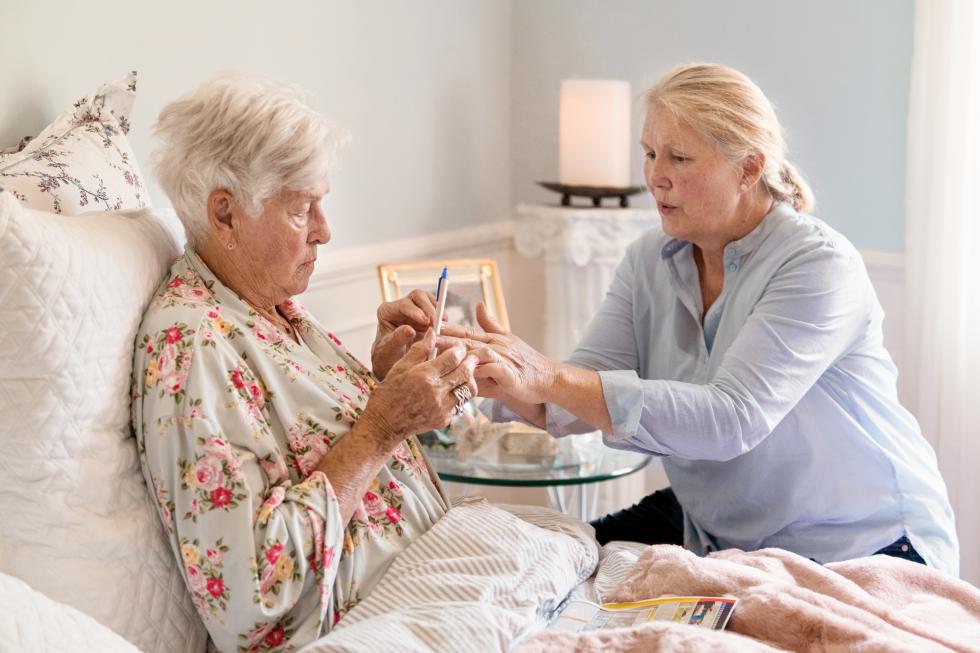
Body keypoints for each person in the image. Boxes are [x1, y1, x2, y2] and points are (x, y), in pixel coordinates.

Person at [451, 63, 959, 575]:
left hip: (861, 543)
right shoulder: (648, 259)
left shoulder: (818, 265)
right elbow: (577, 393)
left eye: (680, 157)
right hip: (719, 532)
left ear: (749, 168)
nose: (655, 176)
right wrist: (490, 371)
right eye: (650, 153)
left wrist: (550, 375)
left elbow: (731, 419)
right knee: (545, 566)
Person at [132, 73, 478, 651]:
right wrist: (383, 424)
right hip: (377, 627)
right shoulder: (192, 348)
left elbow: (313, 450)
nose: (325, 231)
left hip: (441, 589)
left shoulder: (269, 308)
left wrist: (380, 380)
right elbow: (248, 596)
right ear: (225, 215)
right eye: (303, 210)